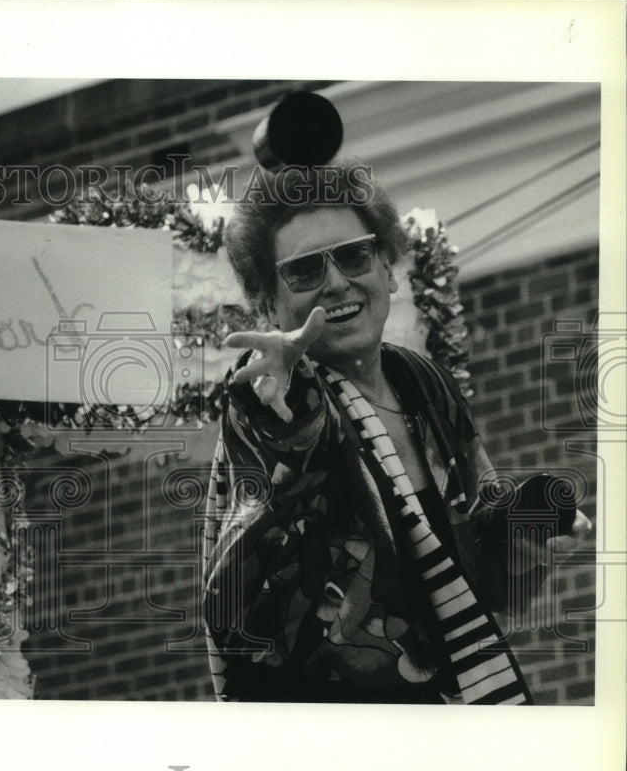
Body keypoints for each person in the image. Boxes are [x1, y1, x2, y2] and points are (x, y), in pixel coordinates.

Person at [201, 160, 592, 704]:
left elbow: (477, 579)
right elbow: (292, 438)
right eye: (305, 271)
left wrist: (532, 537)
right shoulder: (272, 396)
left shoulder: (423, 381)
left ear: (387, 267)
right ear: (269, 303)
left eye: (355, 255)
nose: (336, 282)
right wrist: (283, 391)